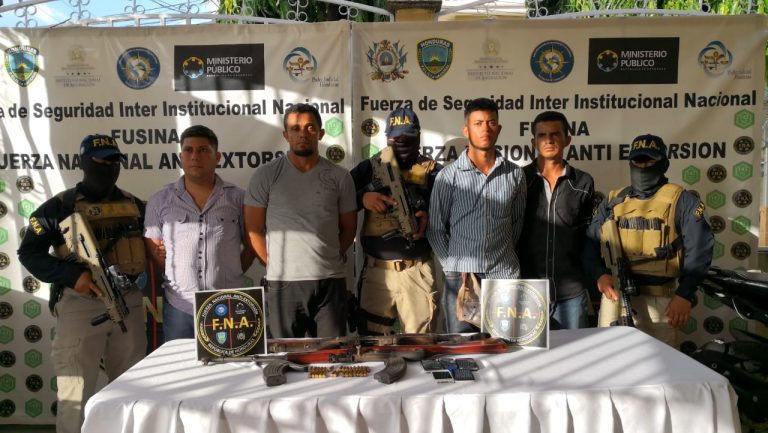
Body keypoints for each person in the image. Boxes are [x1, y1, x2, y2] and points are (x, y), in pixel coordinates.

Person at [17, 134, 147, 433]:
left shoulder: (135, 205)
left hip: (128, 301)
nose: (108, 167)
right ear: (84, 162)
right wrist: (72, 276)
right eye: (101, 161)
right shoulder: (59, 206)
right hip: (81, 303)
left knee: (132, 389)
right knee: (75, 391)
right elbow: (29, 253)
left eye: (114, 161)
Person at [585, 133, 714, 347]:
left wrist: (684, 294)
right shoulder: (613, 200)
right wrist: (599, 275)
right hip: (615, 297)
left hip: (660, 301)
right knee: (608, 359)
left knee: (661, 363)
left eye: (649, 161)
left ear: (663, 163)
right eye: (638, 160)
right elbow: (590, 242)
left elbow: (700, 250)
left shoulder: (682, 201)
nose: (643, 166)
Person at [244, 103, 357, 338]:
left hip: (330, 282)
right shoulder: (266, 175)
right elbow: (253, 229)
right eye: (295, 129)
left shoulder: (340, 177)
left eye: (310, 128)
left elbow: (349, 229)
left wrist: (327, 256)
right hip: (283, 285)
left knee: (331, 355)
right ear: (286, 135)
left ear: (321, 133)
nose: (302, 134)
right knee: (285, 356)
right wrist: (275, 264)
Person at [143, 125, 255, 341]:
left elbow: (252, 244)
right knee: (181, 362)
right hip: (180, 306)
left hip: (227, 303)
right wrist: (178, 276)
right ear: (180, 157)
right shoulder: (160, 200)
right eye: (188, 150)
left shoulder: (238, 198)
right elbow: (154, 248)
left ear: (217, 157)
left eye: (203, 150)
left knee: (230, 361)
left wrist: (233, 272)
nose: (195, 156)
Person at [427, 97, 526, 333]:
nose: (485, 129)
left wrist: (501, 256)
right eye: (478, 123)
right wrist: (452, 266)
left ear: (498, 129)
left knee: (506, 345)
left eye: (491, 123)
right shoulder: (448, 176)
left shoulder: (515, 175)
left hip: (504, 277)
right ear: (466, 130)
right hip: (462, 279)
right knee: (463, 349)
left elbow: (516, 223)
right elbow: (435, 229)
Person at [350, 108, 442, 335]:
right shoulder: (369, 168)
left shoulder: (433, 172)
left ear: (418, 137)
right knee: (372, 343)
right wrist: (363, 198)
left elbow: (451, 215)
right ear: (387, 138)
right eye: (396, 138)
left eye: (408, 138)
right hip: (377, 273)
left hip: (416, 270)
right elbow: (335, 200)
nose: (402, 143)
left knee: (419, 343)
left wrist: (429, 218)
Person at [517, 111, 595, 329]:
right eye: (542, 135)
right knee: (529, 352)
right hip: (528, 292)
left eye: (555, 134)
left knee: (575, 351)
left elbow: (588, 238)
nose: (549, 140)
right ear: (533, 142)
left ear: (567, 139)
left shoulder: (582, 182)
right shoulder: (519, 180)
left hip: (571, 293)